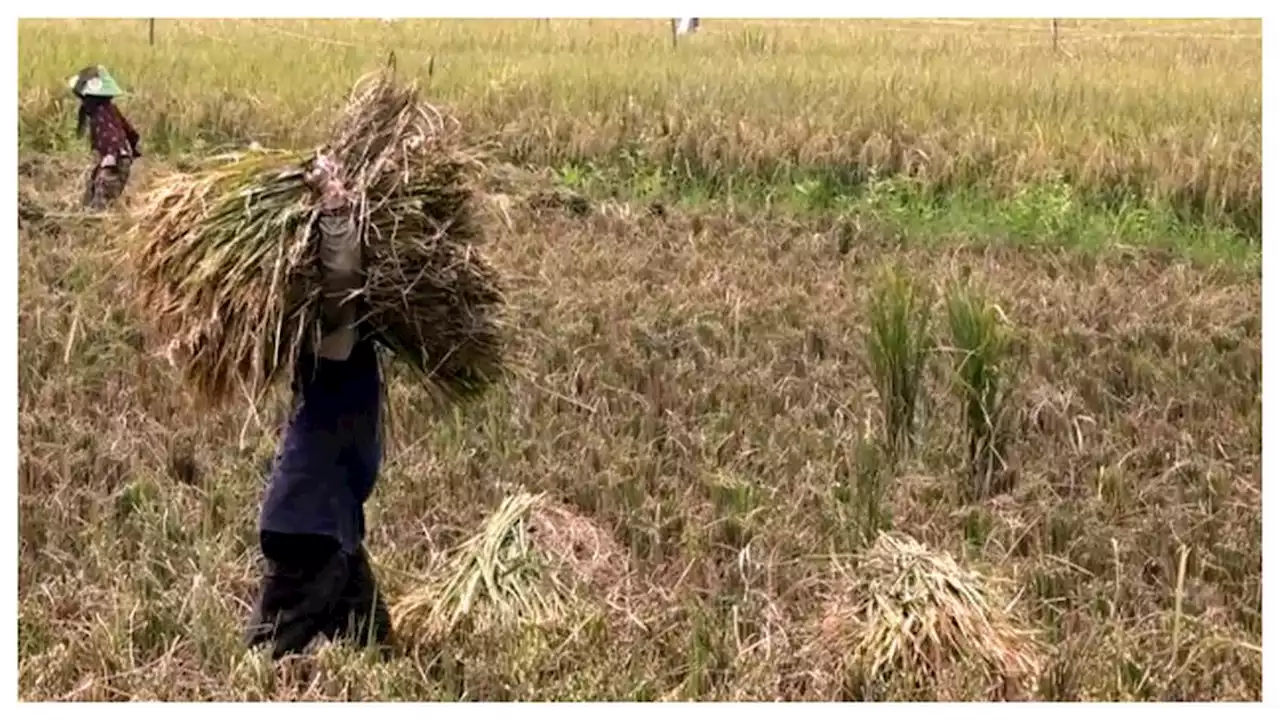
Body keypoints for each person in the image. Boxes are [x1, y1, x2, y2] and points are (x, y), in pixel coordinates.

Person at [243, 153, 393, 660]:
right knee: (270, 653)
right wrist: (334, 209)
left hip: (335, 526)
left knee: (373, 642)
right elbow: (343, 281)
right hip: (311, 526)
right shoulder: (330, 342)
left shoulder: (345, 343)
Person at [67, 65, 141, 209]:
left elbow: (111, 137)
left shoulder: (100, 115)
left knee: (103, 194)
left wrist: (111, 157)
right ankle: (88, 213)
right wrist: (133, 148)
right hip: (119, 157)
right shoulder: (111, 110)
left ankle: (98, 221)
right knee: (92, 187)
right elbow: (131, 132)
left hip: (114, 159)